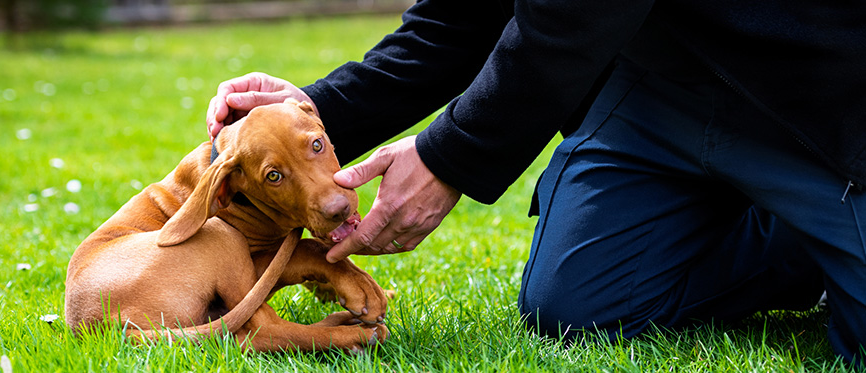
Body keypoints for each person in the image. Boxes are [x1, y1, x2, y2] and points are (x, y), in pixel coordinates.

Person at [205, 0, 866, 363]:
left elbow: (580, 12)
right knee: (578, 305)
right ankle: (803, 246)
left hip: (817, 87)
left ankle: (826, 229)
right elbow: (460, 15)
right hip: (662, 88)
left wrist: (451, 155)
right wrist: (313, 116)